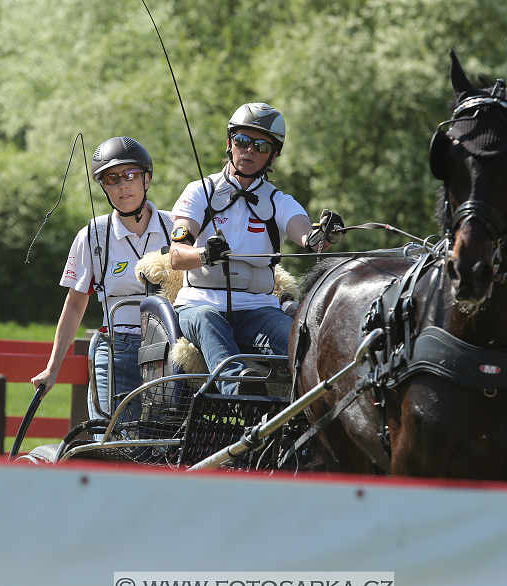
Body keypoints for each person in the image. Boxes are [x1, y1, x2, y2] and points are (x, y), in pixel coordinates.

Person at [168, 102, 344, 395]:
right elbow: (175, 256)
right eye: (242, 141)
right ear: (229, 144)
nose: (249, 150)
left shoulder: (278, 200)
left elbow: (305, 235)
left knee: (301, 339)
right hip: (200, 304)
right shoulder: (200, 191)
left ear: (273, 155)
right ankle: (239, 386)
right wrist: (204, 254)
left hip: (257, 310)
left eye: (261, 146)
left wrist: (318, 237)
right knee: (207, 319)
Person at [31, 137, 173, 431]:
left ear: (146, 179)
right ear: (104, 187)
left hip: (169, 347)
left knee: (164, 438)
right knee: (110, 435)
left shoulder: (176, 228)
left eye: (131, 175)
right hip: (117, 345)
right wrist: (51, 369)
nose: (123, 185)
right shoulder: (93, 236)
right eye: (112, 178)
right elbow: (74, 304)